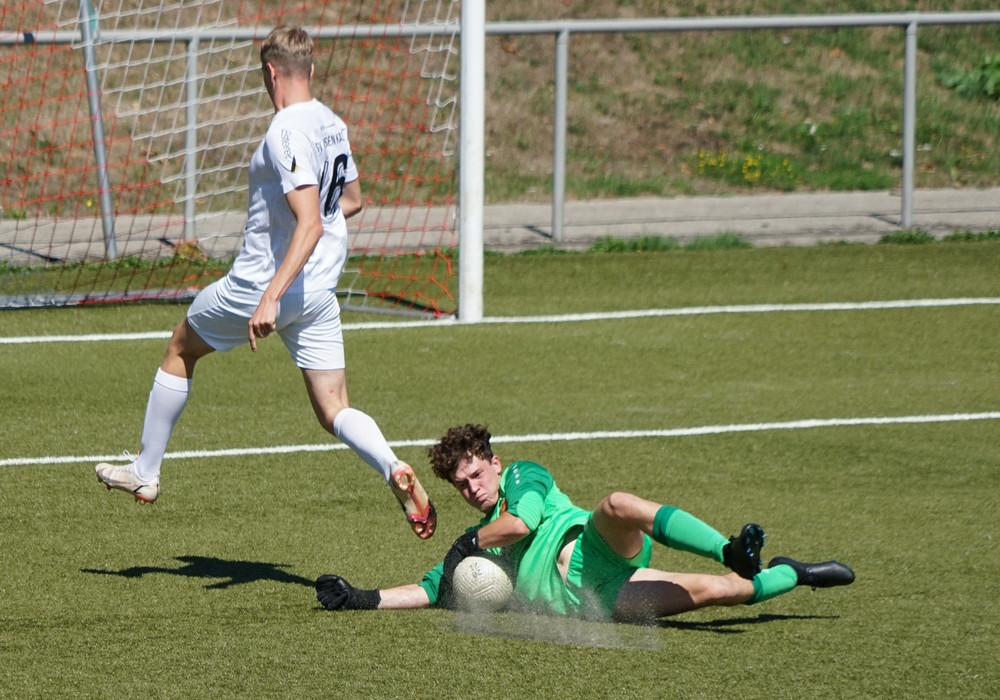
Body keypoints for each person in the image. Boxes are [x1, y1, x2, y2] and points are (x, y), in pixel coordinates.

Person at [94, 25, 436, 540]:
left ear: (271, 72)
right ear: (310, 69)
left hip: (262, 286)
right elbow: (352, 200)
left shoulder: (284, 130)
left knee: (181, 347)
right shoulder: (332, 123)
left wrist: (271, 296)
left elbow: (310, 221)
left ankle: (145, 471)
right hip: (318, 291)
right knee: (334, 408)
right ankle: (392, 465)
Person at [315, 424, 854, 620]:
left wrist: (468, 540)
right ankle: (794, 572)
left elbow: (522, 524)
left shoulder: (522, 477)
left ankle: (728, 549)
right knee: (721, 592)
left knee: (617, 503)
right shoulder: (476, 546)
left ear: (495, 463)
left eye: (476, 474)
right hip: (597, 599)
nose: (473, 488)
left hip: (598, 548)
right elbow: (432, 590)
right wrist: (360, 597)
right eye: (461, 484)